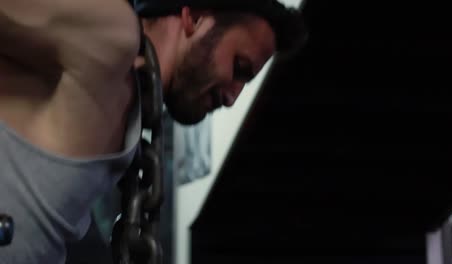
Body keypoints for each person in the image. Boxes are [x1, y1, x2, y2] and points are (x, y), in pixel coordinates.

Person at [0, 0, 307, 263]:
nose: (232, 97)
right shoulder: (111, 36)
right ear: (195, 17)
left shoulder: (128, 119)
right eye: (239, 67)